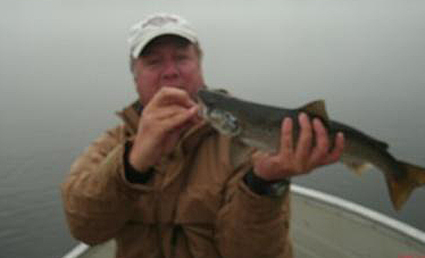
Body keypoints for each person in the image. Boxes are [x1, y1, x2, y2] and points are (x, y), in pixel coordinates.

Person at [61, 13, 345, 258]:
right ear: (135, 78)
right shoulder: (113, 144)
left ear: (200, 64)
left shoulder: (250, 143)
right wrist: (133, 163)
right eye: (153, 62)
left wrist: (261, 184)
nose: (170, 72)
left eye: (182, 58)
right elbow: (85, 227)